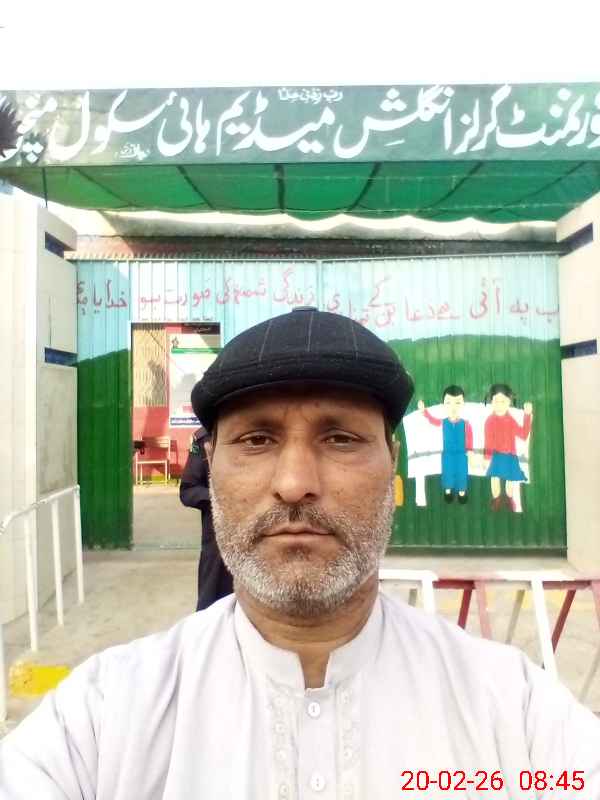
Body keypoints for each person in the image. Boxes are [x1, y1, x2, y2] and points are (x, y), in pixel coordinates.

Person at [1, 307, 599, 799]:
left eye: (340, 438)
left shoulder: (512, 712)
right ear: (212, 462)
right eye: (256, 439)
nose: (294, 483)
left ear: (391, 462)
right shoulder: (104, 717)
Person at [179, 425, 233, 610]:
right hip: (218, 542)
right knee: (211, 605)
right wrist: (222, 497)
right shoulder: (205, 439)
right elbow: (188, 491)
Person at [418, 385, 473, 504]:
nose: (453, 407)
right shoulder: (443, 422)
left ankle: (462, 492)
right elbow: (432, 420)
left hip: (462, 454)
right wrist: (424, 411)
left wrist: (470, 451)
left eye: (457, 402)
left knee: (461, 472)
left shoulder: (466, 424)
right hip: (447, 454)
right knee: (448, 472)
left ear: (463, 404)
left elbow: (469, 438)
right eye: (449, 403)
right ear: (443, 405)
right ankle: (448, 490)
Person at [483, 383, 532, 512]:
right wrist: (486, 458)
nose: (499, 405)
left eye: (503, 401)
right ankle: (496, 499)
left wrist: (527, 415)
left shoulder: (511, 420)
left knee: (510, 482)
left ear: (509, 402)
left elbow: (523, 434)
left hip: (511, 457)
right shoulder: (489, 421)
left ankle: (509, 499)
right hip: (496, 456)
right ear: (491, 401)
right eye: (496, 401)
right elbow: (488, 441)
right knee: (495, 479)